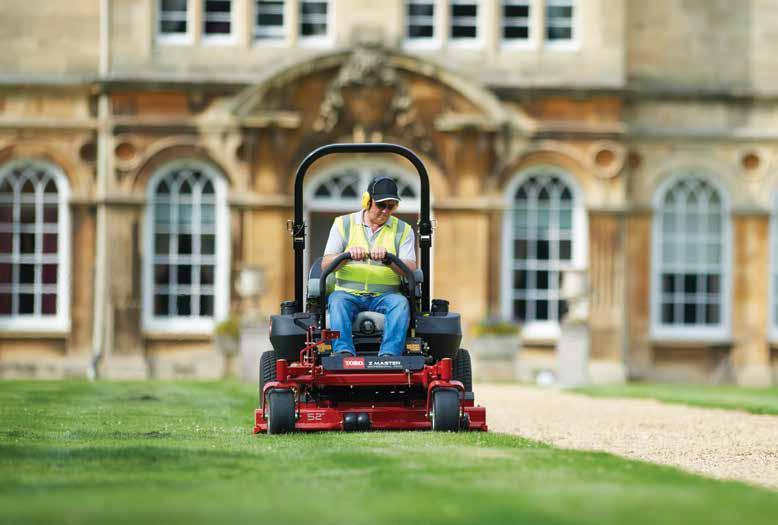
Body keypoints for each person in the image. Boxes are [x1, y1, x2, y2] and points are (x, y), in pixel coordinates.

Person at [321, 176, 416, 357]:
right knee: (337, 301)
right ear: (367, 201)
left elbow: (410, 269)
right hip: (348, 294)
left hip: (386, 296)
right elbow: (326, 263)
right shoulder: (343, 224)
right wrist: (346, 257)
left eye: (391, 206)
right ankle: (343, 353)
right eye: (381, 205)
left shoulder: (404, 230)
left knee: (401, 303)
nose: (386, 211)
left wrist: (390, 260)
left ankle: (389, 356)